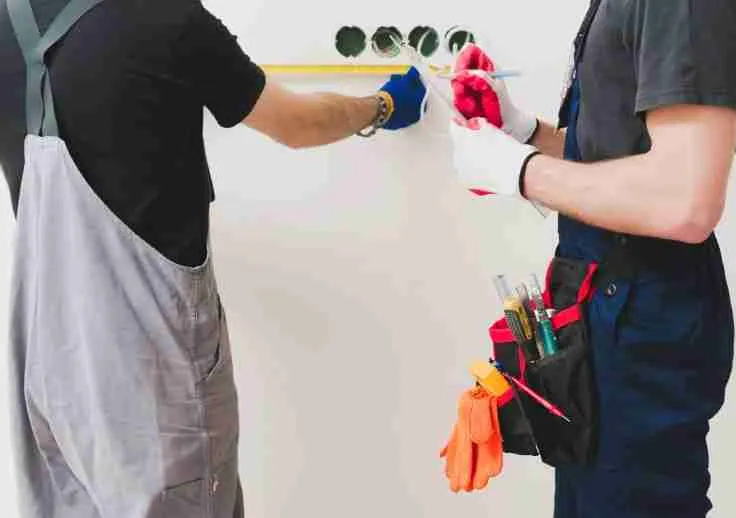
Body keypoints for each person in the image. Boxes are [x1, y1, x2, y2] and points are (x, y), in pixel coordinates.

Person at [0, 0, 426, 517]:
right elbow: (298, 124)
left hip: (46, 359)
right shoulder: (163, 16)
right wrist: (383, 105)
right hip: (151, 370)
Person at [448, 0, 736, 516]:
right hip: (599, 308)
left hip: (639, 316)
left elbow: (684, 199)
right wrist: (523, 134)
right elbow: (618, 160)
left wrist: (518, 169)